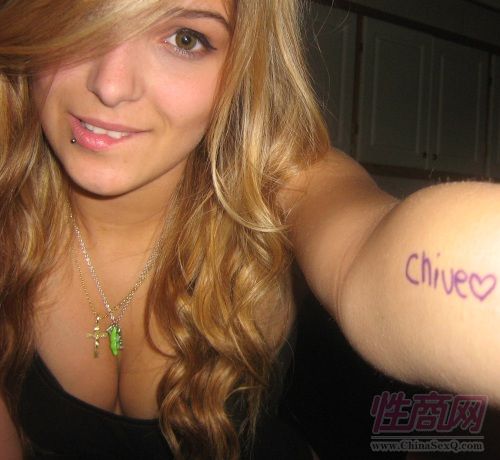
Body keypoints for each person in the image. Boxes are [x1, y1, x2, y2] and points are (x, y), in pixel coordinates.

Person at [1, 0, 500, 459]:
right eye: (85, 16)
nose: (111, 86)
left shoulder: (283, 186)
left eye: (185, 39)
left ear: (241, 69)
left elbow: (368, 254)